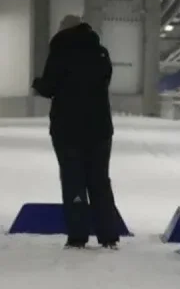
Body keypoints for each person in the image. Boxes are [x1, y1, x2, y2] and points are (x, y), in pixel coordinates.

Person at [32, 15, 120, 250]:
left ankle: (78, 236)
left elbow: (49, 86)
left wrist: (37, 83)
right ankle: (108, 236)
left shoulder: (60, 52)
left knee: (73, 179)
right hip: (100, 128)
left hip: (68, 128)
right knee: (99, 180)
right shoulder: (101, 53)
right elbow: (103, 81)